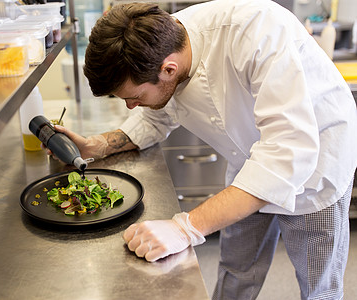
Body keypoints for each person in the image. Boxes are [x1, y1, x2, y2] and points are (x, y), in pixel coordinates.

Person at [44, 0, 357, 299]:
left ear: (168, 69)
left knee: (319, 287)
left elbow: (286, 153)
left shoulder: (256, 31)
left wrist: (184, 228)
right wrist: (97, 145)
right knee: (236, 269)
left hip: (316, 163)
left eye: (134, 97)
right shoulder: (168, 47)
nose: (130, 106)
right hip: (248, 160)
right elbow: (156, 115)